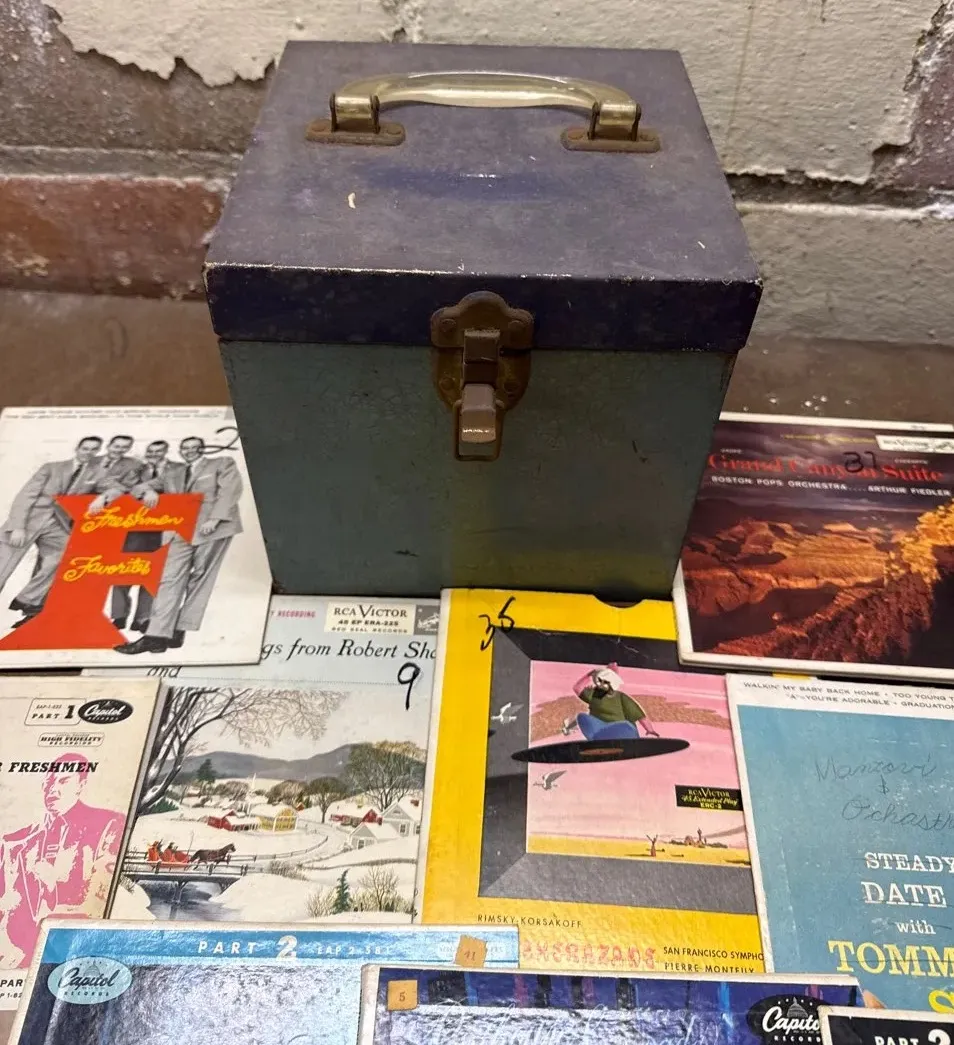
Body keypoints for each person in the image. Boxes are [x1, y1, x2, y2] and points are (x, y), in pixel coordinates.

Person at [114, 436, 243, 654]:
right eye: (185, 448)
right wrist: (148, 491)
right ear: (181, 451)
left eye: (194, 447)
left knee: (200, 578)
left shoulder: (221, 463)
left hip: (213, 528)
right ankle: (156, 637)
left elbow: (230, 491)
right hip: (179, 530)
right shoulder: (173, 472)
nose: (189, 451)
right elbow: (139, 488)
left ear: (202, 449)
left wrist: (215, 519)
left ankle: (179, 629)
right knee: (169, 579)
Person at [0, 754, 123, 967]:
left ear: (81, 785)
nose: (53, 789)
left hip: (75, 955)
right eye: (49, 782)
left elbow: (102, 903)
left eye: (64, 781)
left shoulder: (108, 825)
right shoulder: (18, 840)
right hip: (14, 957)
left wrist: (53, 886)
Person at [0, 436, 103, 630]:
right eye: (85, 448)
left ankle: (28, 599)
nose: (88, 453)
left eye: (93, 449)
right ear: (77, 448)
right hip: (29, 520)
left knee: (68, 555)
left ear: (97, 451)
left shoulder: (95, 473)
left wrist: (104, 496)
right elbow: (26, 495)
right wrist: (17, 526)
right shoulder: (51, 468)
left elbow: (113, 487)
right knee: (2, 565)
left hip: (57, 524)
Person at [97, 439, 170, 632]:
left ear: (166, 452)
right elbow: (115, 483)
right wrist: (144, 490)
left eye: (158, 451)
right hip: (133, 528)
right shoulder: (136, 469)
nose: (153, 455)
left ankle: (143, 618)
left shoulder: (176, 469)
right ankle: (119, 616)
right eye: (150, 451)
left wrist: (150, 489)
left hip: (163, 528)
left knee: (153, 573)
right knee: (122, 570)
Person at [563, 663, 661, 741]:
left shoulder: (621, 697)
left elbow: (639, 715)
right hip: (600, 730)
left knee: (625, 725)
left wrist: (650, 730)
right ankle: (597, 740)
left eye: (605, 682)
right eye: (600, 681)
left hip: (620, 730)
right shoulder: (595, 694)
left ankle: (625, 738)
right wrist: (591, 674)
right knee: (582, 717)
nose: (601, 684)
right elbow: (577, 688)